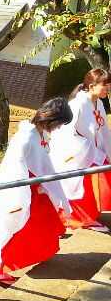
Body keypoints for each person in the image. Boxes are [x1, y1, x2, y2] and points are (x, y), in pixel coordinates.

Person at [0, 98, 74, 285]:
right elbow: (14, 167)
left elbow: (43, 163)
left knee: (41, 223)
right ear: (52, 119)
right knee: (8, 228)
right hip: (19, 190)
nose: (59, 127)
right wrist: (21, 195)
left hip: (34, 187)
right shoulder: (26, 137)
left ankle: (35, 254)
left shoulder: (39, 133)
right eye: (60, 123)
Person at [49, 69, 111, 232]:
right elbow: (65, 132)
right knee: (80, 185)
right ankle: (81, 218)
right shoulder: (77, 104)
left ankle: (89, 214)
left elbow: (104, 130)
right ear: (92, 86)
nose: (108, 88)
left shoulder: (98, 103)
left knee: (98, 178)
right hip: (76, 153)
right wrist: (89, 151)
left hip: (92, 151)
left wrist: (107, 151)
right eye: (105, 85)